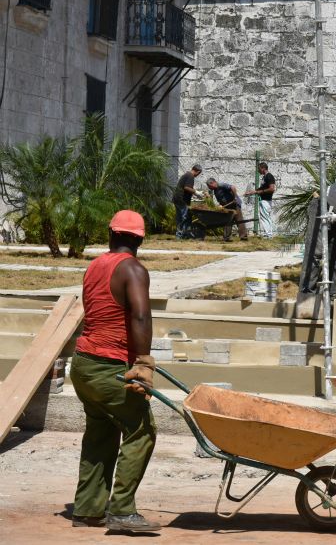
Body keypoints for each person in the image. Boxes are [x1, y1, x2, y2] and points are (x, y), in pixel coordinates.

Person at [69, 210, 160, 533]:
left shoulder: (95, 266)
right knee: (141, 429)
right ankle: (121, 511)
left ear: (111, 234)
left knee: (101, 433)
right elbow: (139, 316)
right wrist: (144, 363)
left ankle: (88, 509)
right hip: (110, 366)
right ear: (139, 240)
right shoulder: (133, 269)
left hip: (83, 365)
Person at [205, 178, 249, 242]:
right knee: (228, 221)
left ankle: (243, 237)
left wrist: (235, 197)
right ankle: (226, 237)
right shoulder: (215, 190)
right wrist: (221, 205)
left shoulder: (221, 185)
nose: (209, 188)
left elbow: (233, 187)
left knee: (239, 220)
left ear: (213, 183)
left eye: (209, 186)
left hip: (234, 204)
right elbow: (221, 199)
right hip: (227, 206)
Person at [245, 162, 276, 238]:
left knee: (265, 217)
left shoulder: (269, 176)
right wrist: (252, 192)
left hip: (266, 200)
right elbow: (262, 188)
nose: (258, 171)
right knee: (264, 217)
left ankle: (269, 234)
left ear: (263, 168)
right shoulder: (264, 177)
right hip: (263, 200)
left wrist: (260, 192)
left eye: (259, 169)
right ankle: (267, 233)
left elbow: (272, 189)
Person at [171, 164, 201, 239]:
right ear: (197, 171)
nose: (198, 175)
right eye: (199, 173)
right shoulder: (190, 176)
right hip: (182, 200)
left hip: (177, 199)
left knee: (179, 218)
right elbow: (187, 187)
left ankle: (179, 235)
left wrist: (193, 194)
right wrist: (196, 192)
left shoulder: (186, 175)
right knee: (185, 217)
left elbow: (185, 188)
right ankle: (183, 235)